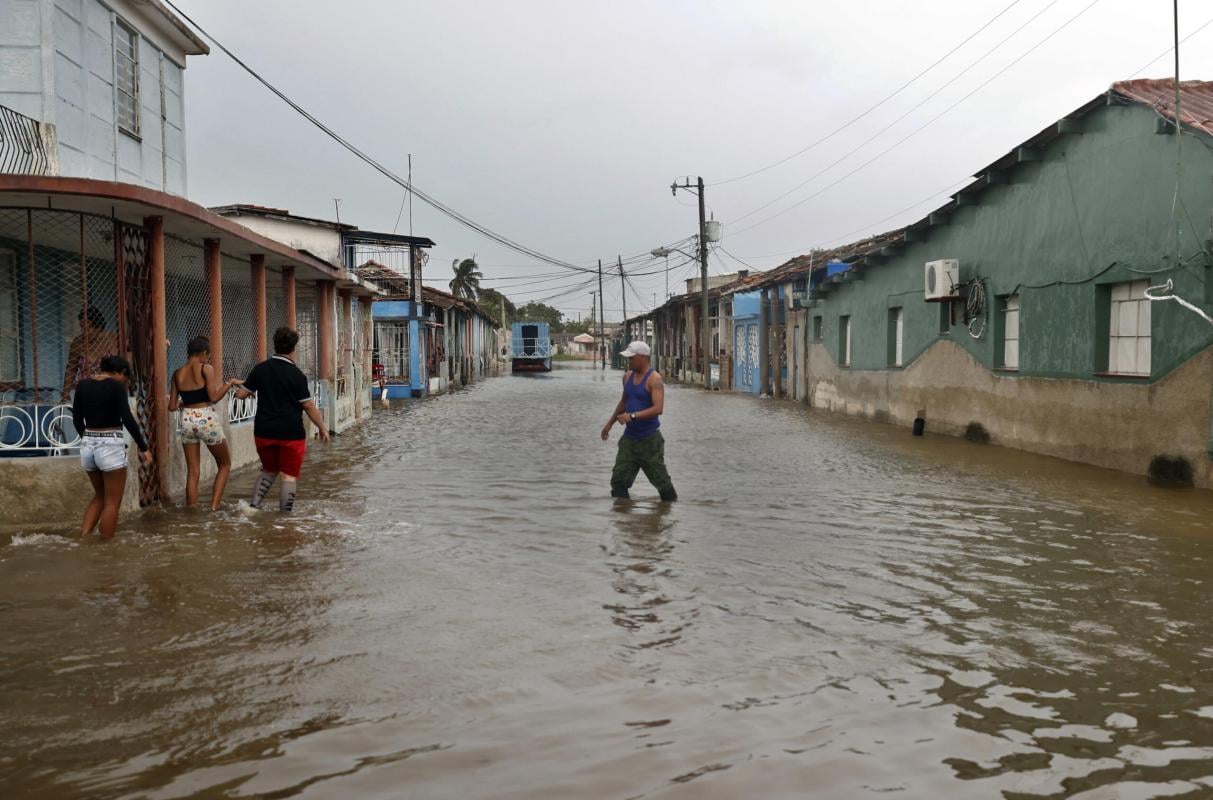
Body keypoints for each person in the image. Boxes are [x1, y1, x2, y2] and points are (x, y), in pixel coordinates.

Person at [234, 327, 329, 512]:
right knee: (288, 475)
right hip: (291, 433)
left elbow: (240, 395)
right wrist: (322, 428)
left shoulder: (260, 369)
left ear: (275, 345)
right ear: (294, 348)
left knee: (269, 470)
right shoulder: (297, 375)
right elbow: (308, 406)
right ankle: (285, 520)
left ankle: (253, 507)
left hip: (264, 432)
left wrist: (244, 386)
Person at [71, 354, 152, 538]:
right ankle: (106, 549)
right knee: (112, 502)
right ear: (121, 372)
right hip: (110, 444)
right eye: (126, 378)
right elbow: (128, 419)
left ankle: (84, 538)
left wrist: (88, 438)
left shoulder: (82, 385)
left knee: (100, 495)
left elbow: (76, 419)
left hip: (87, 444)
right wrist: (144, 447)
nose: (126, 382)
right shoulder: (116, 387)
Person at [168, 336, 243, 510]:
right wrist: (230, 383)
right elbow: (214, 397)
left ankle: (192, 512)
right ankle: (213, 508)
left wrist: (186, 404)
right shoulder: (206, 368)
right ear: (203, 353)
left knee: (193, 472)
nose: (208, 359)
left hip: (186, 419)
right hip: (206, 420)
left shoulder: (177, 373)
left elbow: (172, 406)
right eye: (208, 356)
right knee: (225, 464)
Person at [600, 341, 677, 502]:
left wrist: (632, 416)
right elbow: (623, 403)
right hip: (629, 439)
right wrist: (609, 424)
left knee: (662, 483)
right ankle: (625, 519)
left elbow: (658, 409)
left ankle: (667, 513)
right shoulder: (627, 377)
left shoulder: (654, 379)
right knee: (618, 482)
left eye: (632, 358)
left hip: (649, 440)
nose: (629, 362)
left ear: (643, 357)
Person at [62, 306, 121, 401]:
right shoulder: (78, 343)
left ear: (98, 325)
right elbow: (71, 369)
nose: (84, 332)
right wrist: (65, 392)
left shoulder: (113, 340)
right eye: (82, 327)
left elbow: (123, 367)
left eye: (88, 327)